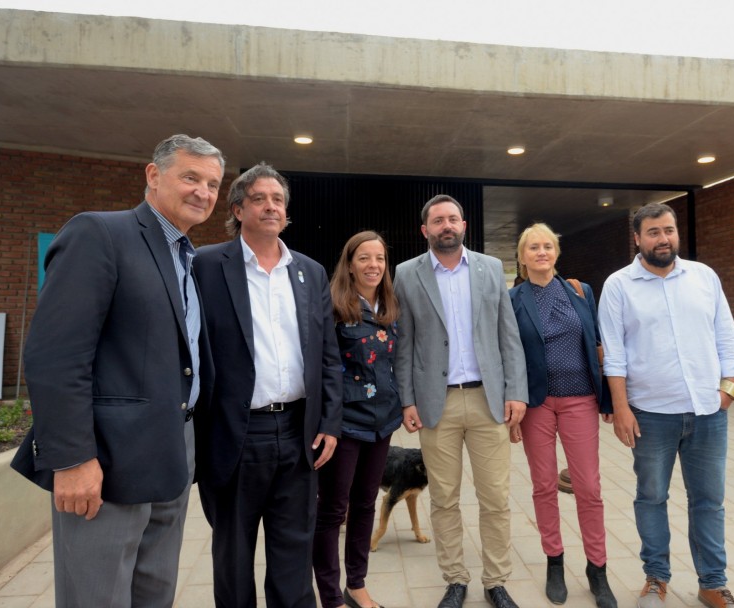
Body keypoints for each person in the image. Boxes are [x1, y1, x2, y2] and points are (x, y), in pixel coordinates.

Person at [11, 134, 224, 607]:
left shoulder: (186, 256)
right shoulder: (100, 234)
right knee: (97, 597)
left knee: (155, 593)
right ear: (153, 175)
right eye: (190, 177)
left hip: (173, 452)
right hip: (105, 463)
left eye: (212, 183)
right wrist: (70, 458)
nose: (203, 192)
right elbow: (55, 355)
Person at [193, 162, 342, 608]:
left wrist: (329, 421)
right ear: (238, 209)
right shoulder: (205, 266)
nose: (271, 206)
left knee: (294, 551)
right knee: (234, 555)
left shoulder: (310, 272)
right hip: (235, 435)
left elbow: (327, 355)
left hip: (299, 433)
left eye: (278, 199)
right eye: (259, 198)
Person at [597, 203, 734, 608]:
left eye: (668, 230)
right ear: (637, 238)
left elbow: (727, 337)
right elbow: (613, 354)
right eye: (653, 232)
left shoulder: (703, 277)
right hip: (649, 415)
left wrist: (728, 392)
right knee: (651, 498)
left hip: (707, 414)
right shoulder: (618, 285)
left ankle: (712, 584)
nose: (663, 239)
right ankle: (655, 580)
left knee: (709, 501)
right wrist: (621, 408)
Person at [394, 194, 528, 608]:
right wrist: (407, 400)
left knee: (495, 499)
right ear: (426, 230)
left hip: (489, 403)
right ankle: (455, 579)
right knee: (444, 499)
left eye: (453, 219)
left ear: (464, 225)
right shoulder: (406, 274)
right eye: (438, 221)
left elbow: (509, 335)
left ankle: (496, 581)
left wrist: (516, 392)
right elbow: (404, 344)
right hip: (437, 405)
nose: (446, 226)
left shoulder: (489, 269)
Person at [509, 223, 617, 608]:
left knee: (588, 486)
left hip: (580, 400)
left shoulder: (580, 291)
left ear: (556, 253)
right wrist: (512, 405)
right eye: (533, 247)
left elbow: (598, 345)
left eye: (547, 246)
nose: (541, 252)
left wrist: (610, 400)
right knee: (542, 485)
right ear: (522, 257)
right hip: (536, 405)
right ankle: (554, 562)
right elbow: (510, 355)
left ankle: (597, 569)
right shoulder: (513, 299)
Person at [312, 231, 402, 608]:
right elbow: (323, 369)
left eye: (379, 258)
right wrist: (327, 424)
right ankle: (330, 594)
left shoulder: (389, 307)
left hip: (382, 424)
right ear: (349, 264)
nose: (373, 266)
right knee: (334, 509)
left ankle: (357, 584)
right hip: (344, 425)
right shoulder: (332, 306)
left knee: (365, 503)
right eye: (364, 258)